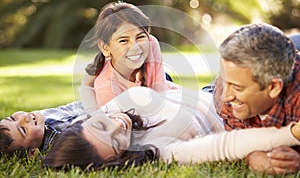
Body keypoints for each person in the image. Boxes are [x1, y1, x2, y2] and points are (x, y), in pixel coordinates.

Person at [42, 86, 300, 170]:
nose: (117, 126)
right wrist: (290, 134)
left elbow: (55, 117)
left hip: (215, 86)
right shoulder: (160, 149)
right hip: (243, 108)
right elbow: (225, 145)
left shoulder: (108, 110)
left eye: (101, 125)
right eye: (117, 141)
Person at [213, 23, 300, 174]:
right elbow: (237, 140)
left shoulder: (296, 98)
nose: (226, 96)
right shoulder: (224, 94)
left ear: (273, 87)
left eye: (238, 87)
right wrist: (251, 156)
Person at [81, 1, 180, 108]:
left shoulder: (151, 42)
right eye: (123, 40)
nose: (135, 47)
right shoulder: (107, 89)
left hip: (157, 80)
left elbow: (161, 95)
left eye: (140, 37)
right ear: (105, 47)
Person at [0, 101, 86, 157]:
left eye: (12, 118)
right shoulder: (64, 142)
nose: (23, 117)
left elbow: (72, 107)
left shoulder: (39, 119)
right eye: (23, 130)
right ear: (33, 153)